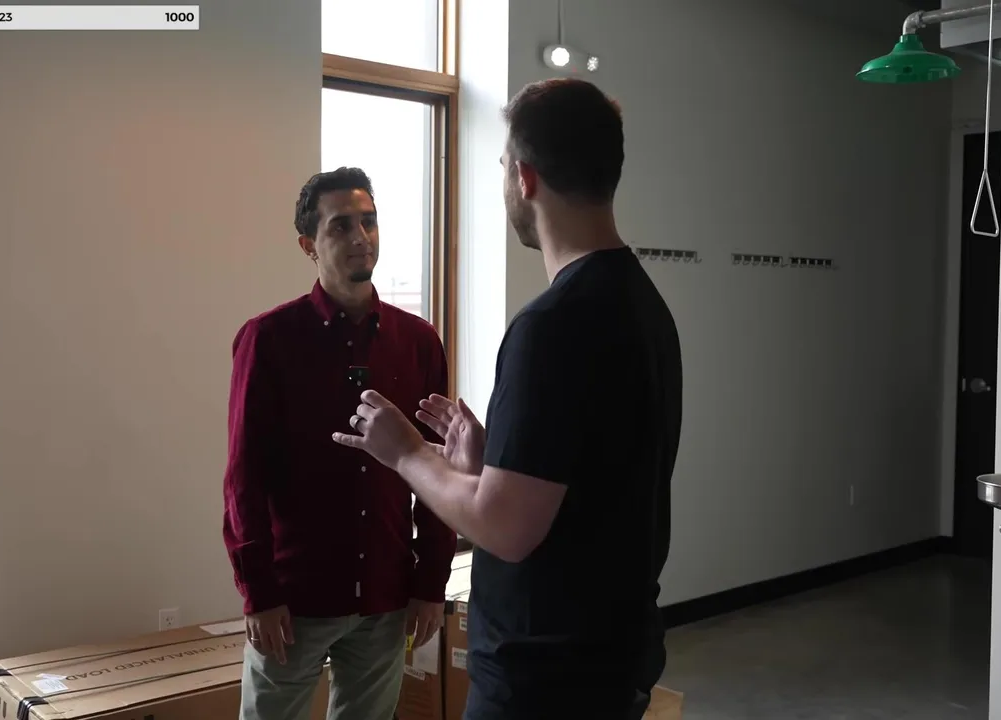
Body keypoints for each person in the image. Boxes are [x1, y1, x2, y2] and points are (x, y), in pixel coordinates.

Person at [331, 78, 683, 719]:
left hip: (543, 680)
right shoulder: (641, 303)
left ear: (525, 177)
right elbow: (584, 487)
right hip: (610, 657)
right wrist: (487, 467)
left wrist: (406, 451)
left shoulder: (551, 324)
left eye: (500, 167)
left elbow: (505, 528)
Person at [224, 167, 459, 720]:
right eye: (340, 226)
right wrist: (258, 592)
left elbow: (438, 468)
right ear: (308, 244)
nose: (361, 237)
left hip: (385, 596)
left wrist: (431, 581)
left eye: (369, 222)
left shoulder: (418, 342)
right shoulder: (269, 340)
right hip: (294, 599)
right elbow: (245, 476)